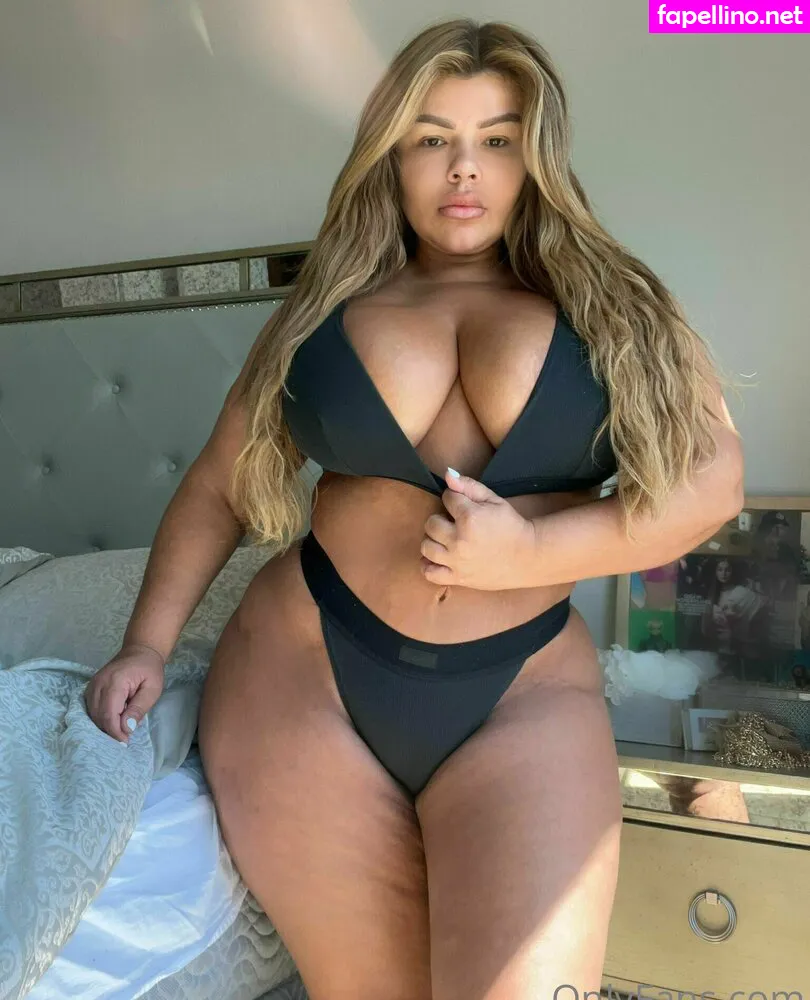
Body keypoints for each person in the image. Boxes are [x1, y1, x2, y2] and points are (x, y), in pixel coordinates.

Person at [85, 19, 744, 999]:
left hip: (520, 691)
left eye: (496, 139)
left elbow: (712, 483)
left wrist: (531, 551)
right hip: (303, 674)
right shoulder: (323, 310)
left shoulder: (622, 309)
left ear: (535, 157)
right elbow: (222, 481)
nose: (463, 168)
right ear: (392, 155)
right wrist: (144, 643)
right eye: (433, 138)